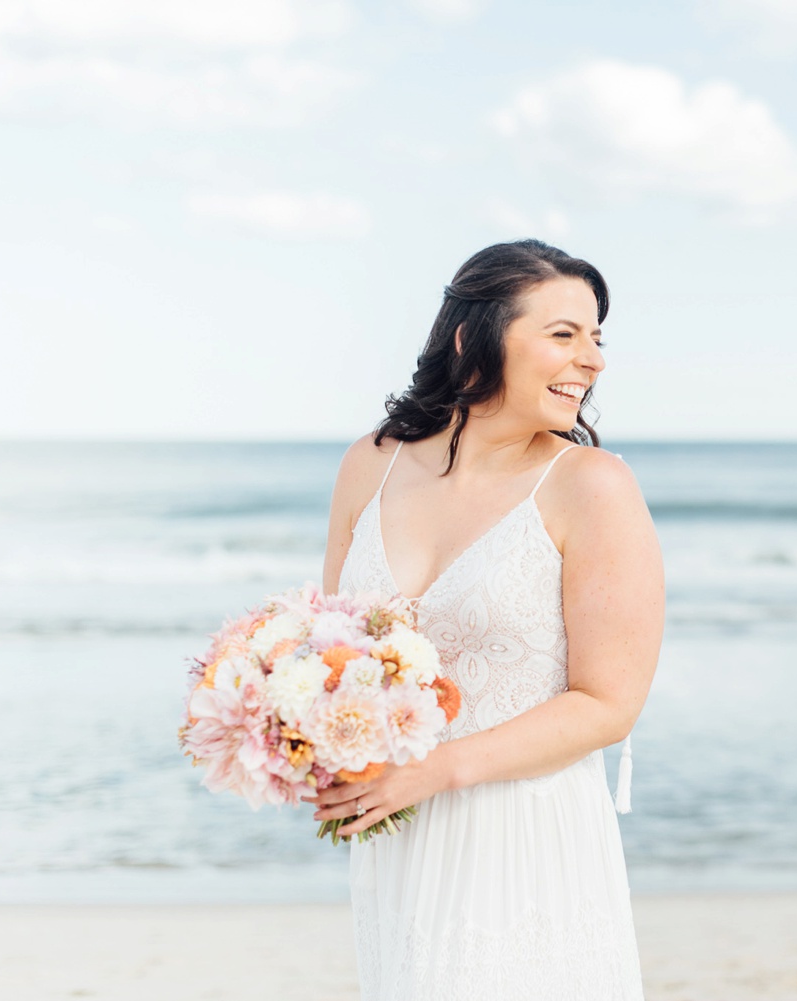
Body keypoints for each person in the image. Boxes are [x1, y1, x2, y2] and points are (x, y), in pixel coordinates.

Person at [310, 239, 664, 999]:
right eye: (564, 334)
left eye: (597, 337)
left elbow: (609, 702)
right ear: (474, 337)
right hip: (401, 840)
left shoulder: (591, 487)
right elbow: (335, 657)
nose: (593, 360)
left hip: (527, 835)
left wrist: (435, 769)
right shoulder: (370, 463)